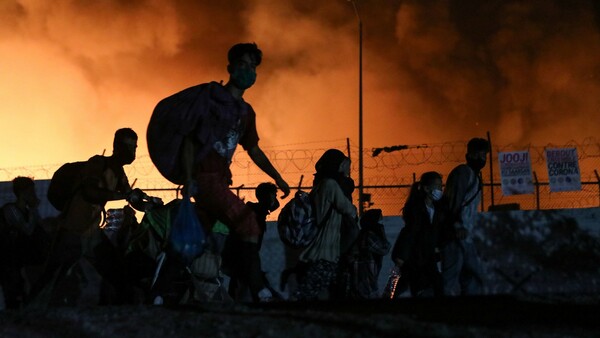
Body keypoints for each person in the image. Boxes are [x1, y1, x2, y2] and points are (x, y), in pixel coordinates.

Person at [158, 43, 290, 302]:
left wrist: (277, 176)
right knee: (248, 223)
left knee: (194, 239)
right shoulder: (213, 103)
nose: (248, 71)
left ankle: (158, 292)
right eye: (243, 65)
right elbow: (190, 141)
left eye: (253, 67)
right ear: (230, 67)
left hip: (219, 181)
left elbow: (254, 150)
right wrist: (188, 177)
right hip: (206, 180)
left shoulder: (245, 113)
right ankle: (259, 289)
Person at [29, 128, 161, 306]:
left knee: (117, 273)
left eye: (134, 147)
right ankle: (26, 312)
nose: (132, 152)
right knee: (52, 276)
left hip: (92, 234)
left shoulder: (119, 174)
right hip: (72, 230)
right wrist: (124, 196)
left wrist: (150, 206)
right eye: (128, 146)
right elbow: (90, 192)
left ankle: (122, 314)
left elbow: (132, 198)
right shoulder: (98, 164)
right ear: (116, 146)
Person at [294, 149, 358, 300]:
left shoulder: (320, 184)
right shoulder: (330, 185)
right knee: (314, 294)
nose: (348, 169)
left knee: (316, 292)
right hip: (325, 250)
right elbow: (349, 209)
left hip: (317, 248)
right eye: (344, 165)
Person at [440, 137, 489, 296]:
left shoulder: (474, 176)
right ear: (470, 154)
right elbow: (454, 201)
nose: (482, 158)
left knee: (471, 277)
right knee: (452, 278)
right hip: (455, 235)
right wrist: (457, 225)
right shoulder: (463, 172)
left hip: (466, 235)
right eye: (479, 154)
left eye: (484, 155)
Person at [223, 182, 280, 301]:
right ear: (269, 196)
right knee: (252, 282)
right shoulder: (256, 213)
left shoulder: (255, 210)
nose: (275, 198)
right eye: (274, 195)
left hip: (244, 254)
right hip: (244, 254)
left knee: (241, 283)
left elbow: (275, 206)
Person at [391, 171, 444, 297]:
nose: (440, 190)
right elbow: (411, 233)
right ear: (426, 188)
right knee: (420, 286)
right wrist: (402, 256)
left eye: (440, 186)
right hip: (416, 256)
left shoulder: (438, 209)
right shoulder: (416, 208)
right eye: (437, 186)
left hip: (429, 256)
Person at [0, 177, 49, 309]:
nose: (34, 195)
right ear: (22, 193)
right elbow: (27, 229)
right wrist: (33, 209)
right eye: (31, 192)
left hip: (22, 259)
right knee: (13, 291)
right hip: (9, 259)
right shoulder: (10, 209)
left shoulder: (28, 212)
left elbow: (39, 227)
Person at [348, 209, 390, 299]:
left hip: (364, 279)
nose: (381, 225)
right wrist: (382, 233)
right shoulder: (369, 235)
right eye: (379, 222)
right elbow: (384, 249)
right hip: (364, 280)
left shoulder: (365, 234)